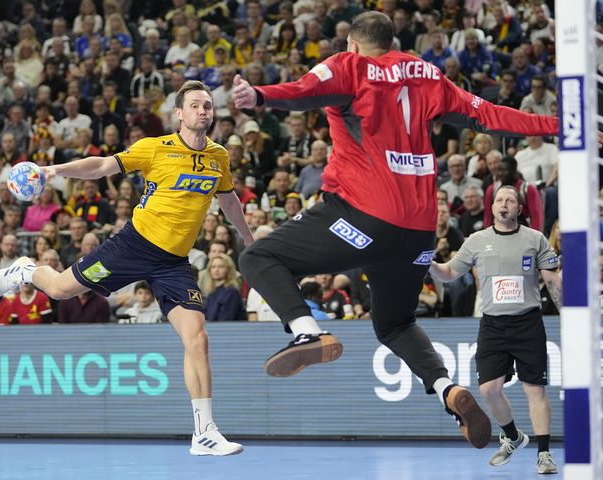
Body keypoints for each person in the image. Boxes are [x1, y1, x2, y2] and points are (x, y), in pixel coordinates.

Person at [232, 11, 563, 450]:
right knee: (394, 324)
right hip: (419, 232)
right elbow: (489, 115)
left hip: (362, 215)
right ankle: (449, 389)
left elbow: (304, 91)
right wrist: (557, 126)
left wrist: (258, 95)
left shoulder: (349, 67)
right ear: (392, 42)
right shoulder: (428, 74)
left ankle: (307, 330)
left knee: (257, 256)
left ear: (352, 43)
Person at [0, 80, 253, 457]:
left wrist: (247, 238)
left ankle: (204, 432)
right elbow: (101, 166)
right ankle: (25, 271)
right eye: (194, 105)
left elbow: (228, 201)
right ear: (179, 113)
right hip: (133, 246)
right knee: (62, 289)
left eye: (207, 106)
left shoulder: (219, 157)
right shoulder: (155, 148)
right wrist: (53, 170)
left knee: (198, 339)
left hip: (174, 262)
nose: (202, 111)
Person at [429, 186, 561, 474]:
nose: (504, 204)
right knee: (489, 389)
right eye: (499, 200)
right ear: (492, 208)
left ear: (519, 208)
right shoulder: (476, 240)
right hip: (492, 325)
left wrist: (568, 313)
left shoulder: (535, 238)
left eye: (510, 200)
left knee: (534, 389)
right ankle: (513, 437)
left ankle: (544, 454)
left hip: (527, 322)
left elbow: (552, 280)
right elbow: (450, 272)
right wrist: (428, 263)